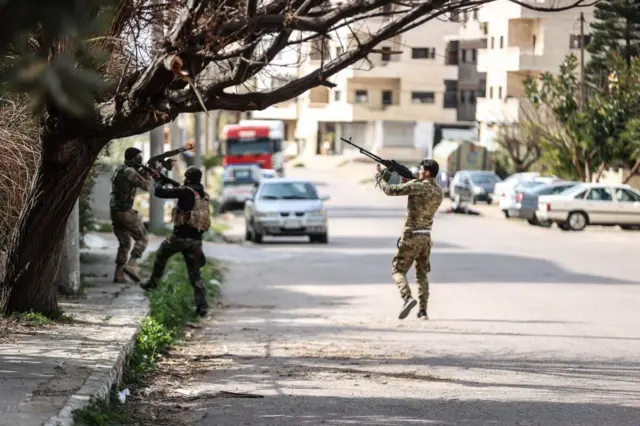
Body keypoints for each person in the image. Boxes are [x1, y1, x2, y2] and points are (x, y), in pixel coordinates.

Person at [375, 159, 444, 320]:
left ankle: (407, 298)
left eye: (421, 170)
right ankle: (423, 311)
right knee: (422, 274)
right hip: (426, 236)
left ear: (427, 173)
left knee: (398, 270)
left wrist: (379, 176)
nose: (419, 172)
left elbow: (390, 190)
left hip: (411, 235)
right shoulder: (439, 192)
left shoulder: (416, 186)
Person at [141, 166, 211, 317]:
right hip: (196, 241)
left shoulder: (186, 191)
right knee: (195, 276)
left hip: (179, 238)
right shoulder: (203, 194)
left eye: (185, 177)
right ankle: (202, 307)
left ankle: (152, 283)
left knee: (161, 253)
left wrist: (158, 181)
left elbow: (159, 192)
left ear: (187, 178)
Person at [110, 147, 154, 283]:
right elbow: (147, 186)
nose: (140, 159)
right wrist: (151, 174)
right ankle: (131, 265)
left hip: (115, 210)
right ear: (134, 158)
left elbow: (134, 179)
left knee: (125, 242)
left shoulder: (121, 169)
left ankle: (119, 275)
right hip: (125, 211)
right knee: (143, 238)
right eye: (138, 156)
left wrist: (145, 171)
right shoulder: (130, 172)